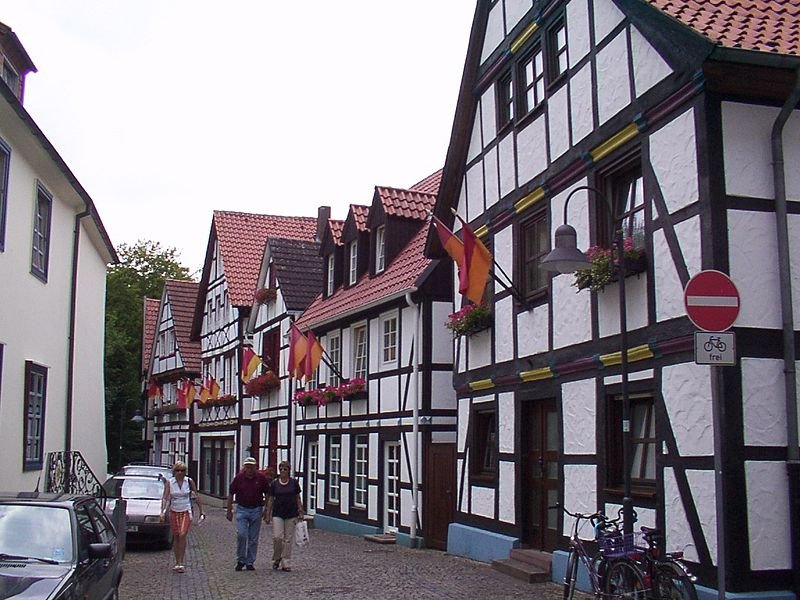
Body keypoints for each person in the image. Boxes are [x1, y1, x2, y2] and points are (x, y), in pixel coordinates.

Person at [226, 456, 270, 571]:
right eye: (247, 466)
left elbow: (268, 494)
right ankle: (241, 559)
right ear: (244, 467)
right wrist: (229, 509)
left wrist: (266, 510)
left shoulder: (261, 478)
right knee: (242, 535)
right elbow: (231, 493)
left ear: (255, 467)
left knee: (253, 538)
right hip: (242, 509)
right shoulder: (239, 478)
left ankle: (250, 561)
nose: (249, 469)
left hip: (256, 509)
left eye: (251, 466)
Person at [160, 461, 203, 573]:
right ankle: (177, 560)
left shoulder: (189, 481)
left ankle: (181, 563)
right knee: (176, 535)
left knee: (183, 534)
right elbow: (165, 497)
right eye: (178, 470)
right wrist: (162, 511)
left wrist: (201, 511)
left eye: (182, 470)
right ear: (174, 472)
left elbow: (196, 496)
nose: (180, 473)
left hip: (186, 510)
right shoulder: (170, 483)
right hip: (174, 510)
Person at [264, 460, 304, 572]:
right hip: (278, 513)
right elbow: (271, 499)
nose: (283, 471)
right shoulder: (274, 484)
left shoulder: (294, 483)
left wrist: (300, 510)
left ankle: (286, 562)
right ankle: (276, 558)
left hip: (291, 513)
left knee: (288, 539)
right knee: (277, 537)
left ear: (288, 471)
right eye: (281, 469)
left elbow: (297, 497)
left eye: (285, 469)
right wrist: (267, 513)